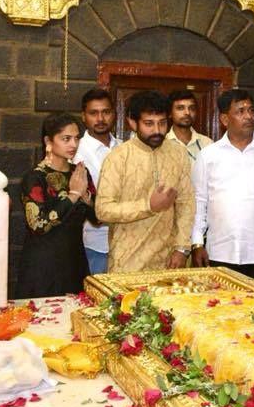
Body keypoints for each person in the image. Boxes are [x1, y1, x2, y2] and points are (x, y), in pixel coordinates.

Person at [96, 90, 196, 273]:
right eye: (149, 124)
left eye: (162, 123)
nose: (157, 130)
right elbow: (103, 210)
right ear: (133, 123)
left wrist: (182, 248)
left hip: (169, 261)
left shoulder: (178, 153)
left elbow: (186, 203)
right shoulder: (118, 157)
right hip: (127, 262)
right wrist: (148, 205)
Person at [191, 89, 254, 278]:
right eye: (240, 111)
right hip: (219, 252)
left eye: (251, 110)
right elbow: (199, 202)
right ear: (225, 120)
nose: (248, 116)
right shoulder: (208, 155)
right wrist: (197, 243)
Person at [17, 114, 94, 298]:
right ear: (48, 141)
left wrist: (86, 197)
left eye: (77, 138)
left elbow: (97, 218)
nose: (73, 145)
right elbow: (38, 225)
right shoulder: (35, 178)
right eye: (66, 139)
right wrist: (73, 195)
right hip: (44, 264)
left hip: (74, 260)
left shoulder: (80, 173)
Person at [74, 88, 120, 275]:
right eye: (94, 113)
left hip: (127, 243)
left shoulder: (125, 148)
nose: (100, 119)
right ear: (84, 116)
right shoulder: (75, 152)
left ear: (114, 114)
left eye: (106, 112)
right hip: (93, 244)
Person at [166, 89, 213, 163]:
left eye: (192, 108)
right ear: (170, 113)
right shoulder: (163, 143)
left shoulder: (207, 143)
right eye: (180, 108)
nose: (187, 112)